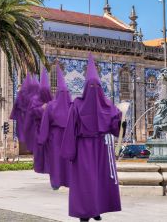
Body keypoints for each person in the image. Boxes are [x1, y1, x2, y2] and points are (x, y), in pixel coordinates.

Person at [61, 53, 122, 221]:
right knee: (94, 180)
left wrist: (69, 152)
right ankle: (89, 211)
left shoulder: (77, 105)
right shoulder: (108, 106)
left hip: (85, 149)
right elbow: (115, 126)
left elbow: (70, 130)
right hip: (99, 148)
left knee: (88, 181)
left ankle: (93, 211)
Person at [38, 63, 72, 190]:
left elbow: (45, 124)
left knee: (56, 161)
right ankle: (69, 182)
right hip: (69, 138)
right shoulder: (73, 106)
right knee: (68, 161)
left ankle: (56, 183)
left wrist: (42, 139)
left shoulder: (51, 106)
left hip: (55, 139)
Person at [24, 67, 52, 174]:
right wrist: (42, 109)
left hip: (49, 131)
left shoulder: (51, 99)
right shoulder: (35, 100)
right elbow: (31, 112)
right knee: (40, 151)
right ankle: (40, 167)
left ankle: (49, 167)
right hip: (38, 130)